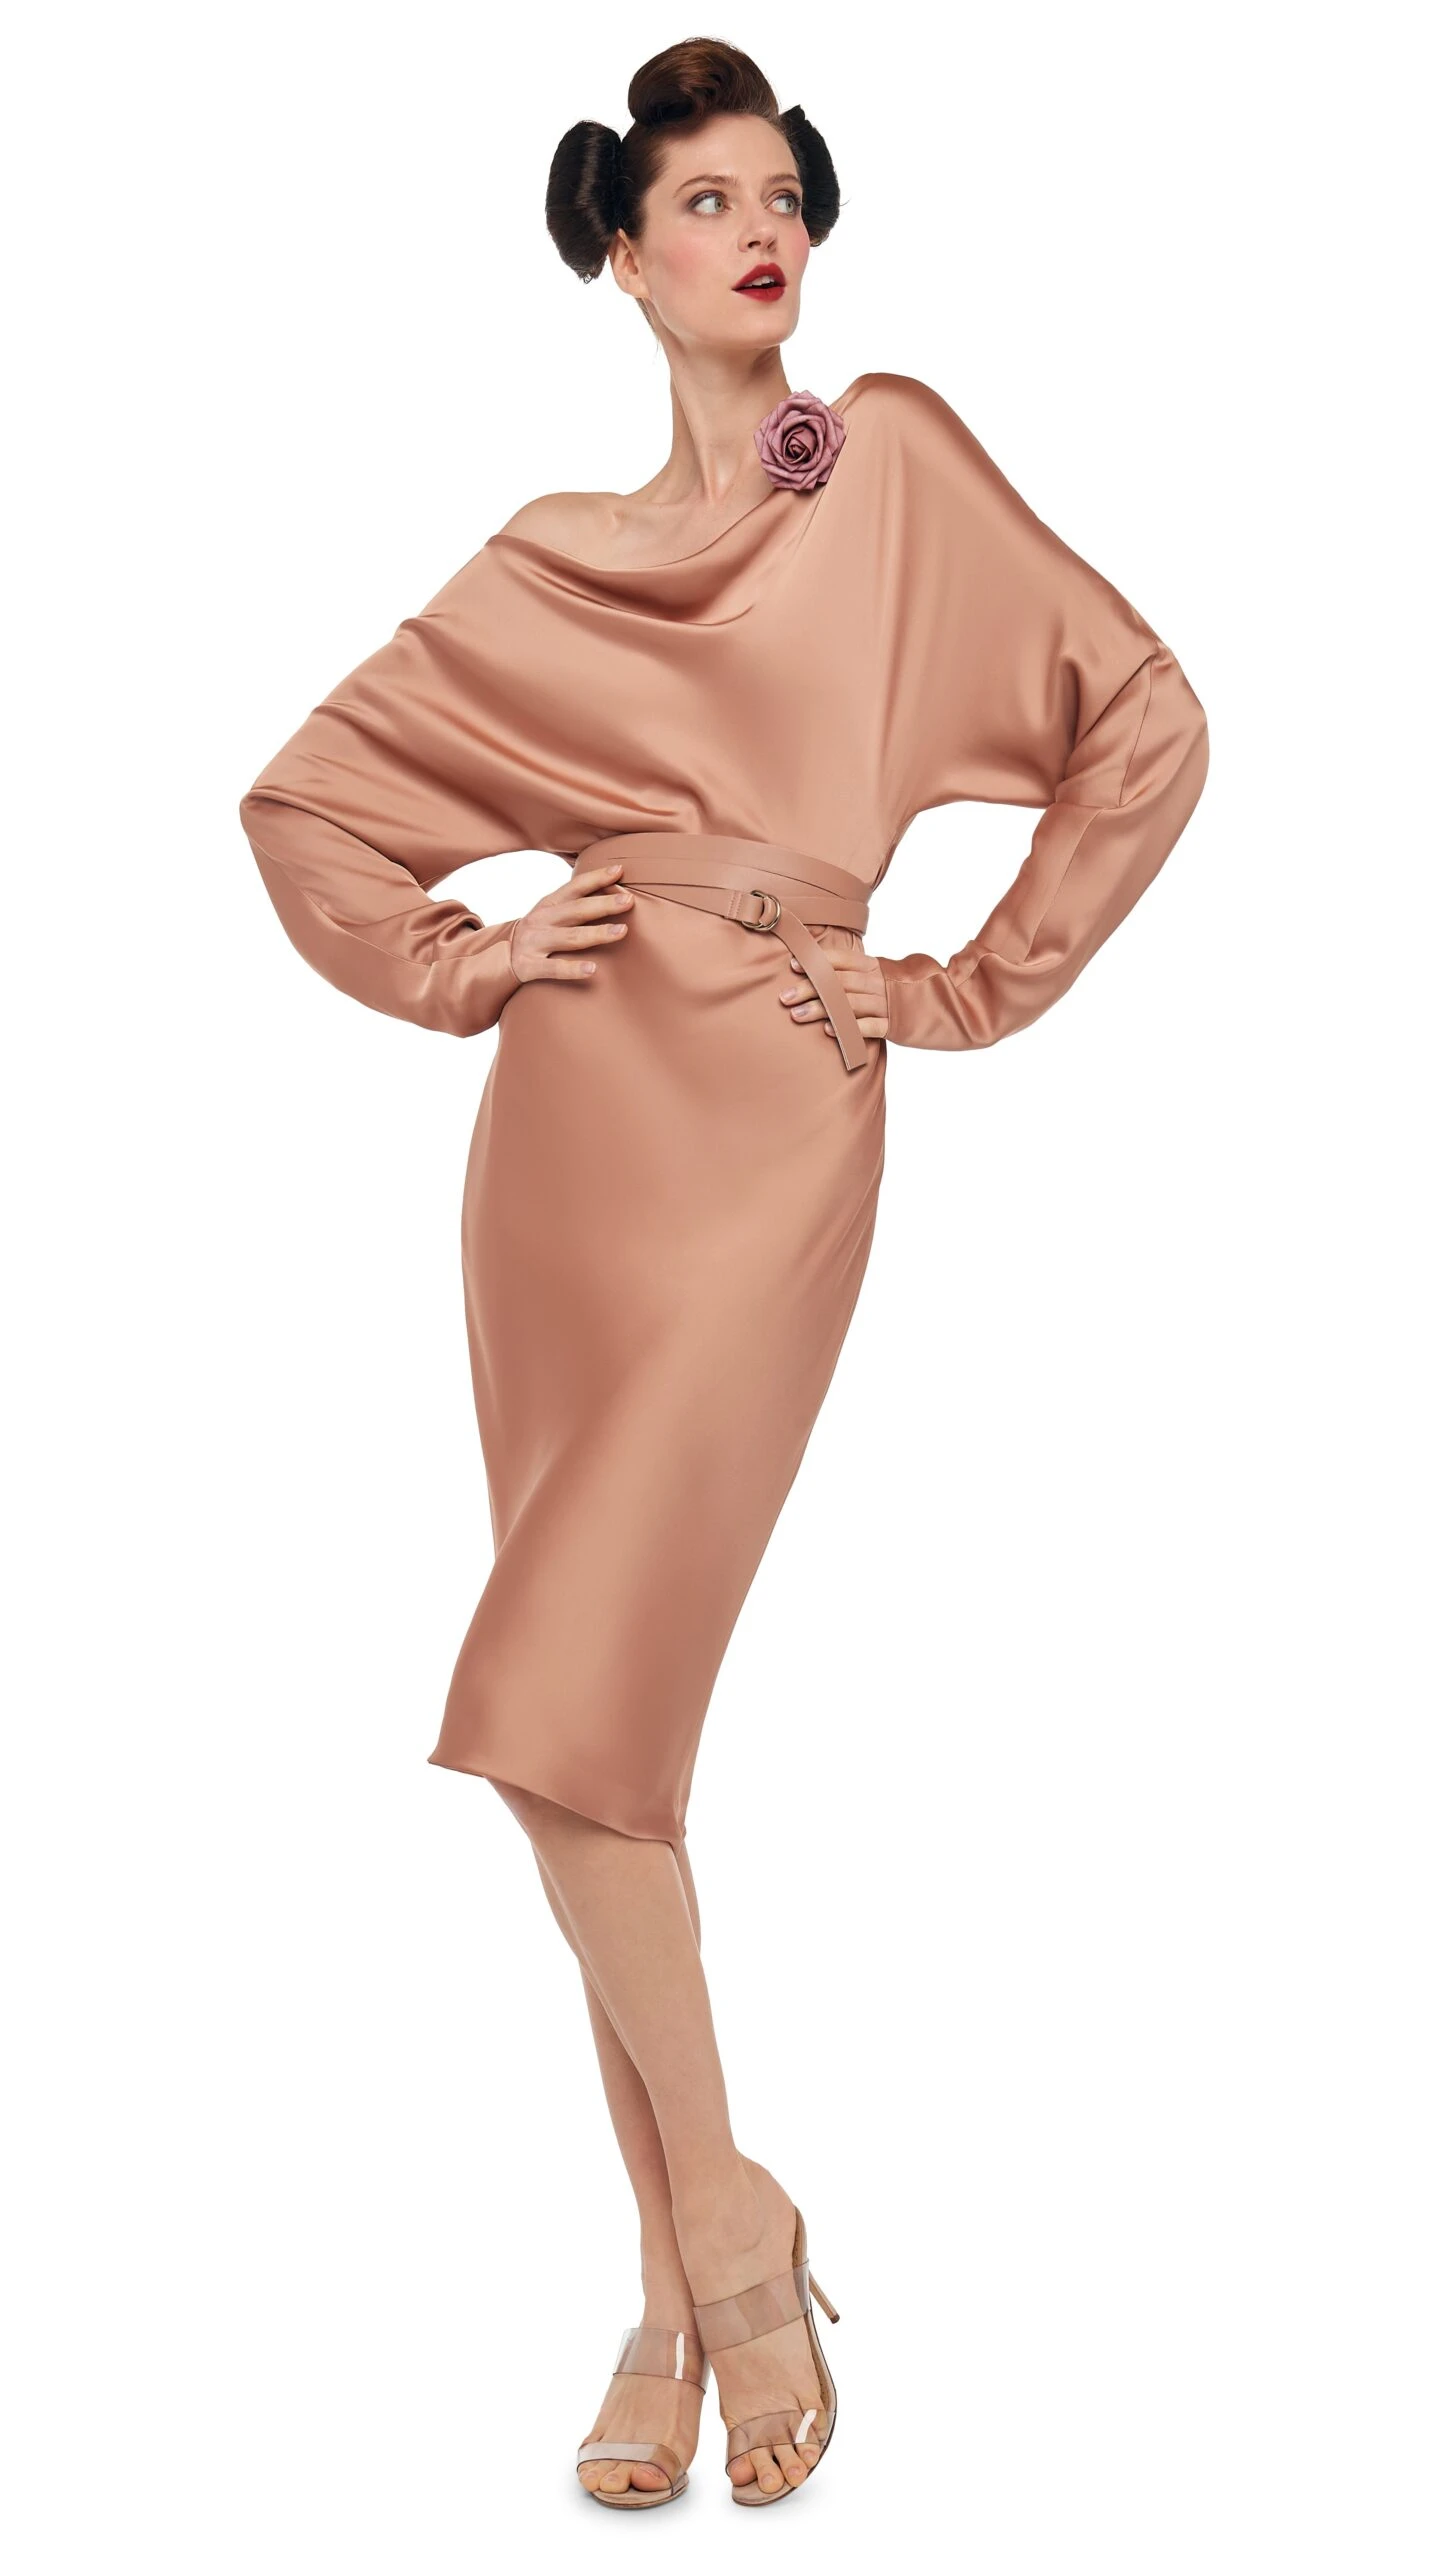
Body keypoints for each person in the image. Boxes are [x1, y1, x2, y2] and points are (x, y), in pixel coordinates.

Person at [237, 36, 1209, 2512]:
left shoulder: (886, 463)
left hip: (779, 1103)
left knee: (556, 1697)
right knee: (604, 1736)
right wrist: (468, 959)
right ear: (621, 249)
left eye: (783, 193)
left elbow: (1147, 718)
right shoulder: (549, 556)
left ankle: (732, 2234)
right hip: (565, 1139)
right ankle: (680, 2280)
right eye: (704, 199)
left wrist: (960, 985)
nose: (759, 230)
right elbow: (306, 801)